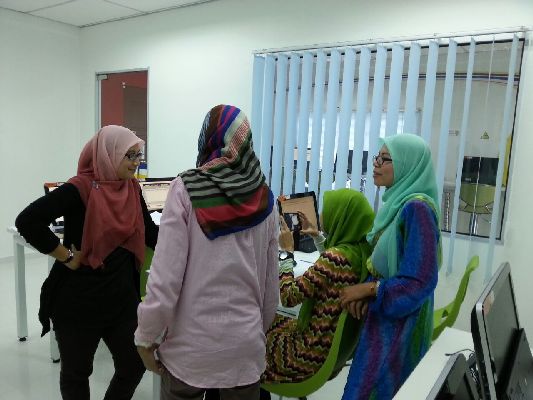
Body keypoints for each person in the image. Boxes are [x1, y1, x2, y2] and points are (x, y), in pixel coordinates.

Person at [135, 104, 279, 400]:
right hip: (244, 346)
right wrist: (254, 333)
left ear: (207, 138)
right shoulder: (265, 198)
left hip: (190, 348)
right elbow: (269, 289)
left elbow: (165, 280)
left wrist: (146, 337)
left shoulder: (185, 189)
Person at [15, 125, 159, 400]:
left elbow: (150, 233)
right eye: (129, 155)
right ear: (108, 154)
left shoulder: (131, 188)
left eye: (138, 155)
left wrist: (188, 242)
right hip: (78, 301)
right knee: (77, 374)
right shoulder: (79, 188)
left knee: (133, 364)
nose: (135, 162)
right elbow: (28, 220)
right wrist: (66, 256)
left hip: (121, 299)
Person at [340, 133, 441, 400]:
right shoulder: (397, 205)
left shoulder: (417, 210)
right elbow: (383, 264)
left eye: (385, 159)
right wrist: (369, 292)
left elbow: (420, 281)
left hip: (400, 331)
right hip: (385, 321)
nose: (376, 164)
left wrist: (370, 290)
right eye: (377, 157)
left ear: (408, 165)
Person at [262, 189, 374, 385]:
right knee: (265, 321)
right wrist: (317, 236)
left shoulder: (334, 259)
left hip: (303, 355)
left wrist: (286, 253)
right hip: (328, 352)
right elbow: (335, 265)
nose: (321, 213)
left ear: (340, 216)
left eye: (326, 209)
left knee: (249, 336)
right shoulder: (361, 252)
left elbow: (288, 297)